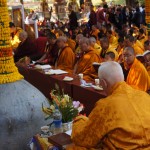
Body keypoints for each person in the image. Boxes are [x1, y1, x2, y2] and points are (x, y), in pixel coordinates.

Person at [67, 61, 150, 150]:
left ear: (103, 83)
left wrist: (79, 120)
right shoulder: (145, 96)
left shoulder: (106, 105)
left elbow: (84, 138)